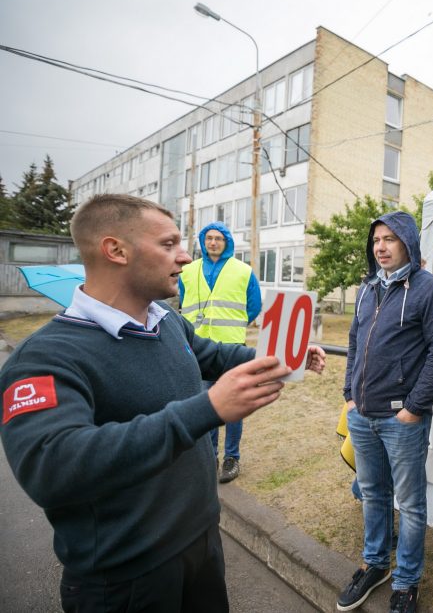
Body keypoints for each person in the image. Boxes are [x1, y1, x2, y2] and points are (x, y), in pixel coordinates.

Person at [0, 194, 326, 613]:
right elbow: (53, 466)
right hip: (125, 579)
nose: (186, 256)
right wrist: (207, 408)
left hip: (202, 543)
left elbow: (215, 354)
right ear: (115, 250)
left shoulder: (167, 321)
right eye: (169, 244)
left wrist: (285, 359)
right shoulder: (44, 358)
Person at [338, 211, 433, 613]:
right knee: (372, 494)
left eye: (389, 239)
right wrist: (349, 394)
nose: (381, 247)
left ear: (407, 242)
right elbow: (354, 343)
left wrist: (415, 408)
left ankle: (406, 582)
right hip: (362, 414)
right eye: (376, 241)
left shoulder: (430, 289)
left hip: (401, 418)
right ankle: (375, 565)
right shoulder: (367, 288)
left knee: (410, 502)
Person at [179, 221, 262, 483]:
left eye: (219, 239)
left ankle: (232, 458)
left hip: (232, 347)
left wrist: (234, 324)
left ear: (227, 242)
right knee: (207, 403)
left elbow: (253, 306)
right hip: (199, 348)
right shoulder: (188, 271)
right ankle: (210, 455)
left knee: (236, 403)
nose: (213, 243)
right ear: (202, 242)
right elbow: (183, 300)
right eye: (209, 238)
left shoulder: (243, 271)